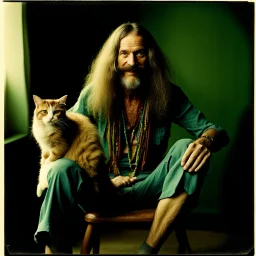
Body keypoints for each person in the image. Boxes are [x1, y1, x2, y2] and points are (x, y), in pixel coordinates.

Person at [34, 22, 229, 254]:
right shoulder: (93, 94)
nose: (132, 62)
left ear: (151, 57)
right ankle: (56, 250)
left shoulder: (168, 94)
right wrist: (47, 142)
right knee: (59, 169)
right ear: (113, 59)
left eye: (140, 54)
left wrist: (206, 141)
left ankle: (147, 250)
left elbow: (215, 131)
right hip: (102, 187)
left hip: (153, 188)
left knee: (187, 147)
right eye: (124, 54)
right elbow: (65, 127)